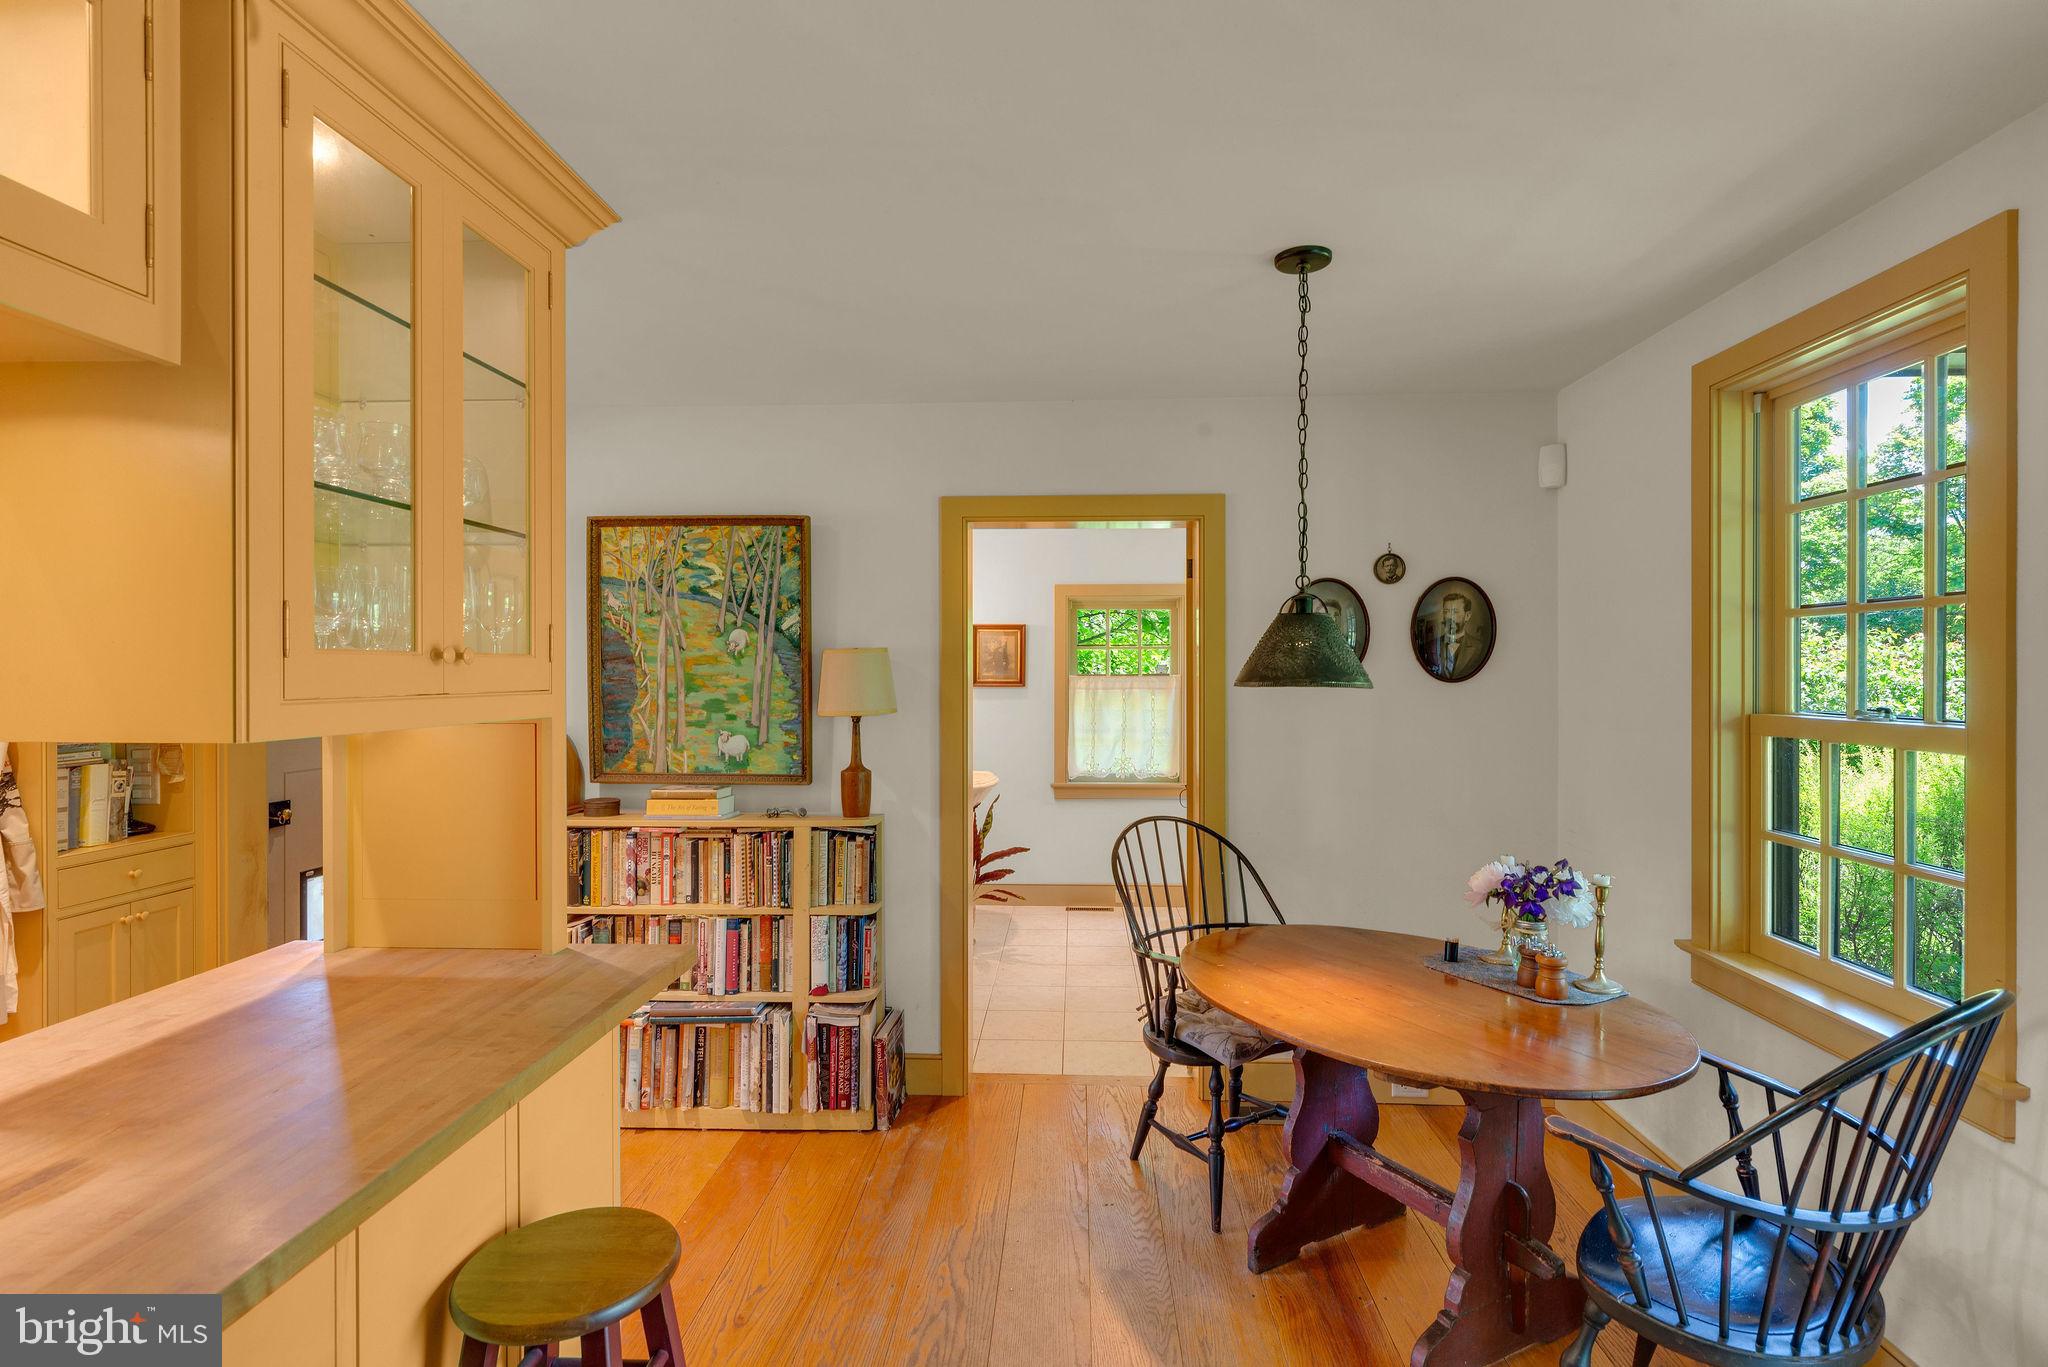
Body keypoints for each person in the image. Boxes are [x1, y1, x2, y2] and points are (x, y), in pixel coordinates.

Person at [1417, 589, 1489, 680]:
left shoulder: (1479, 647)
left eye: (1455, 612)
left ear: (1467, 616)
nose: (1449, 617)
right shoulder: (1429, 646)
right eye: (1446, 611)